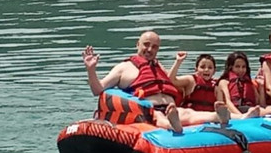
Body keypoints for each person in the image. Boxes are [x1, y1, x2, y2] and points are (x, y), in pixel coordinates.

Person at [82, 31, 231, 132]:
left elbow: (171, 82)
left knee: (188, 112)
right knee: (160, 118)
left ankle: (218, 116)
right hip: (148, 110)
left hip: (170, 107)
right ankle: (173, 126)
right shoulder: (124, 67)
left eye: (154, 46)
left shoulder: (157, 66)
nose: (150, 49)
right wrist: (91, 69)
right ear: (137, 44)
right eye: (146, 44)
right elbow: (98, 89)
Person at [217, 51, 271, 115]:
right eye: (237, 66)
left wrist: (261, 87)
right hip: (232, 112)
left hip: (249, 110)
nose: (241, 70)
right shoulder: (224, 82)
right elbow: (228, 102)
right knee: (264, 111)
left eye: (243, 67)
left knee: (270, 108)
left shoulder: (249, 83)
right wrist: (241, 116)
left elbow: (261, 105)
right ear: (231, 67)